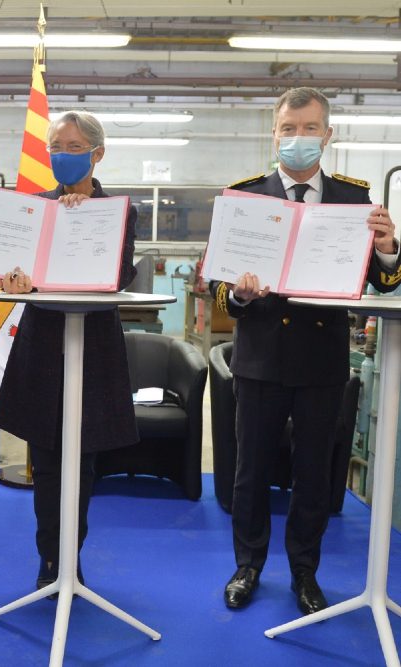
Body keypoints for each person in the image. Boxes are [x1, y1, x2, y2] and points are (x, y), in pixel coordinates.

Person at [212, 87, 401, 615]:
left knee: (315, 475)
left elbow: (383, 285)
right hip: (260, 359)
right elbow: (219, 289)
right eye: (289, 129)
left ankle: (305, 574)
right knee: (250, 472)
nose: (299, 139)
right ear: (274, 133)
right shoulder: (245, 197)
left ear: (328, 134)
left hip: (321, 362)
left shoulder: (354, 200)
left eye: (310, 128)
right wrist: (240, 293)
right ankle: (247, 566)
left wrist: (388, 249)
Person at [0, 111, 138, 593]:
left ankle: (73, 557)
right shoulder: (33, 207)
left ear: (97, 153)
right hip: (42, 348)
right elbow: (15, 272)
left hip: (93, 350)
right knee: (47, 461)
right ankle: (49, 559)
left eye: (75, 147)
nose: (63, 155)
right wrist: (15, 282)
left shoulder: (120, 210)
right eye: (57, 146)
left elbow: (118, 275)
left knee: (84, 462)